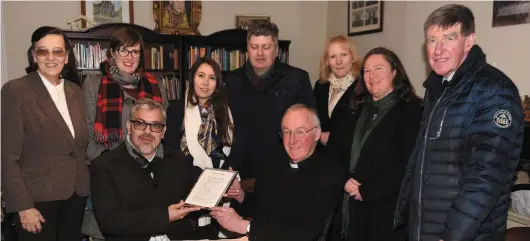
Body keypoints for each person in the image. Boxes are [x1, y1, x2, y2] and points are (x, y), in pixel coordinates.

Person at [394, 4, 524, 241]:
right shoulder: (437, 88)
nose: (438, 49)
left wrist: (452, 235)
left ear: (469, 40)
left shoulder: (494, 91)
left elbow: (485, 177)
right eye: (432, 40)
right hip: (427, 227)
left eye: (449, 37)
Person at [1, 26, 89, 241]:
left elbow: (77, 144)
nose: (51, 58)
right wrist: (23, 206)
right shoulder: (16, 91)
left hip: (75, 196)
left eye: (58, 51)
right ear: (33, 56)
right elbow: (7, 156)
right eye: (43, 51)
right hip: (37, 201)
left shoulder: (75, 91)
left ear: (66, 57)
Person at [209, 104, 346, 241]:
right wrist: (240, 195)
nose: (292, 141)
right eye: (287, 132)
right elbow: (261, 209)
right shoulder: (274, 161)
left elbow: (307, 234)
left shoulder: (331, 173)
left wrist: (246, 227)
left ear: (316, 134)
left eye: (300, 132)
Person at [327, 47, 422, 241]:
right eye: (367, 70)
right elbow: (332, 152)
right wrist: (344, 180)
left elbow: (408, 164)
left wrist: (367, 191)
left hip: (385, 212)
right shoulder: (353, 107)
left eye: (378, 68)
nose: (372, 75)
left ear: (394, 72)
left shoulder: (411, 111)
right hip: (347, 207)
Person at [90, 98, 218, 241]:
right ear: (128, 126)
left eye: (156, 126)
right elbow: (110, 222)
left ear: (163, 132)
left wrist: (218, 189)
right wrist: (165, 217)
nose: (147, 132)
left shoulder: (178, 160)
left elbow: (193, 204)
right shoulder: (104, 165)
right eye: (140, 124)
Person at [224, 21, 316, 184]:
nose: (260, 53)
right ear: (247, 49)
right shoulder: (232, 81)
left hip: (283, 174)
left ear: (276, 50)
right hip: (241, 174)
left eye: (266, 47)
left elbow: (309, 130)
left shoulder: (297, 79)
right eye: (254, 47)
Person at [165, 57, 236, 235]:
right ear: (192, 79)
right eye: (201, 76)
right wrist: (203, 178)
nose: (205, 83)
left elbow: (232, 147)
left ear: (217, 83)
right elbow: (172, 151)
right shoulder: (176, 108)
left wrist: (221, 179)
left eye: (212, 78)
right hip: (188, 186)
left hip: (220, 189)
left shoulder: (226, 110)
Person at [83, 27, 168, 162]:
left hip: (148, 163)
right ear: (112, 52)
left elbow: (161, 129)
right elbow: (88, 135)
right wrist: (112, 165)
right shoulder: (94, 83)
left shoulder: (156, 85)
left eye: (135, 52)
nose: (129, 57)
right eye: (123, 50)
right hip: (107, 163)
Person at [313, 35, 362, 146]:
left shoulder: (362, 88)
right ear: (327, 61)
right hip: (321, 156)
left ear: (353, 57)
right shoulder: (320, 86)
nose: (338, 61)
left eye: (344, 55)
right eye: (333, 56)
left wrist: (331, 137)